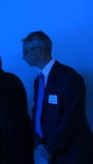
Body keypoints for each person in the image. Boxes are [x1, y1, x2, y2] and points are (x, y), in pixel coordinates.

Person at [22, 31, 93, 164]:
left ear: (37, 51)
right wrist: (38, 143)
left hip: (73, 153)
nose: (23, 57)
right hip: (52, 152)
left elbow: (72, 119)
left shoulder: (69, 77)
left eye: (25, 52)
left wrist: (50, 148)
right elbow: (37, 113)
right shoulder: (38, 81)